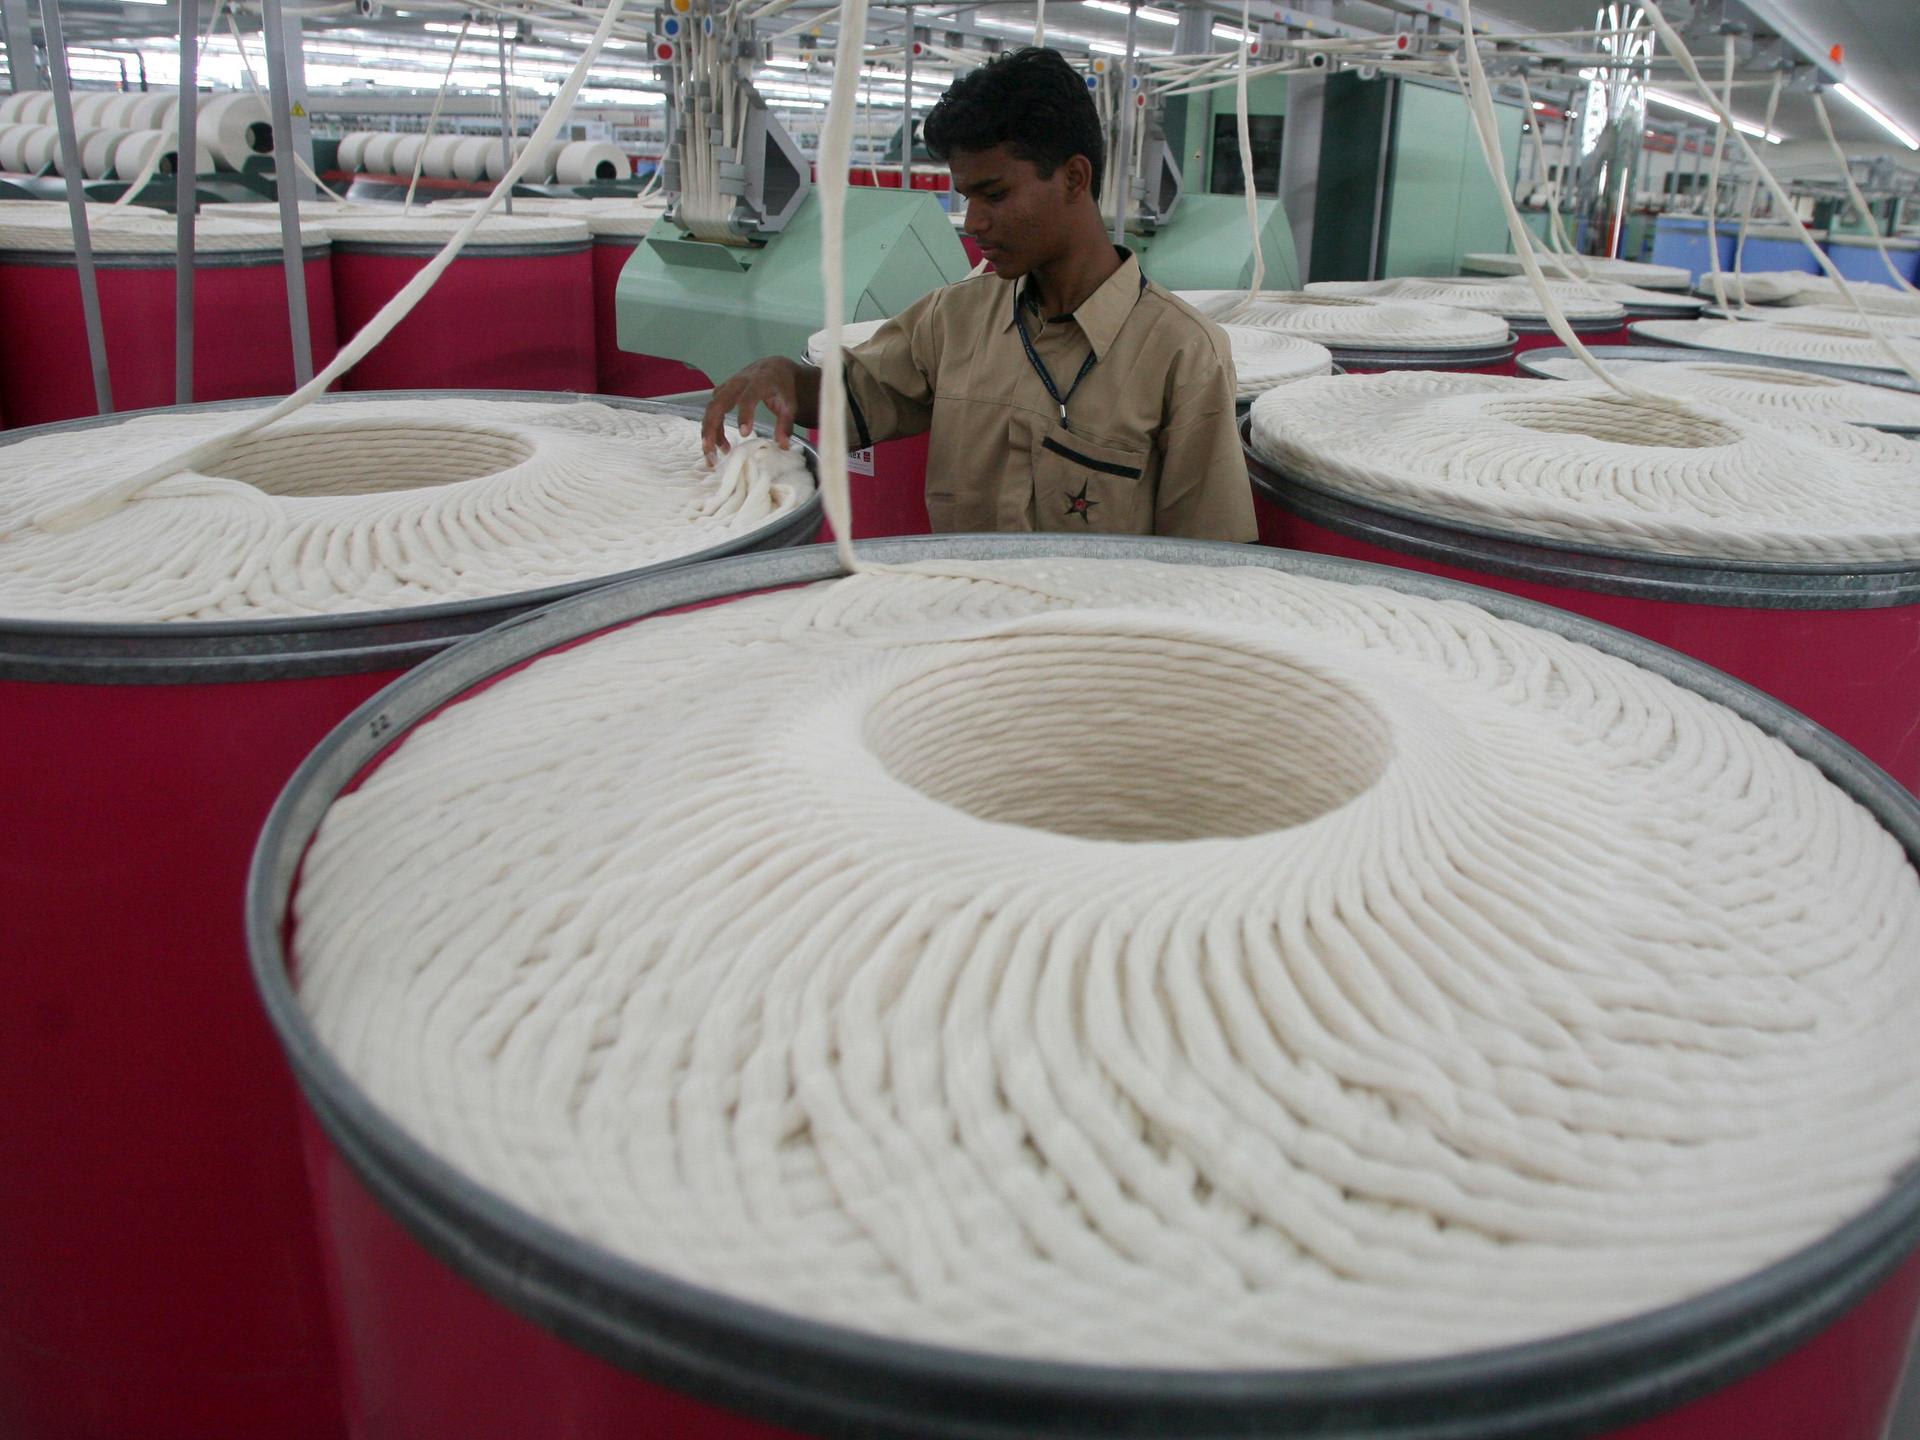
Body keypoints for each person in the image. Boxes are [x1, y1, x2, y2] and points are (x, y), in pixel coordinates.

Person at [699, 46, 1256, 540]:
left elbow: (1207, 562)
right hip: (965, 611)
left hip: (1094, 625)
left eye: (995, 195)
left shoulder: (1182, 354)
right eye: (967, 198)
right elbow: (858, 394)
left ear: (1074, 178)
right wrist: (784, 377)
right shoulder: (953, 319)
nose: (974, 223)